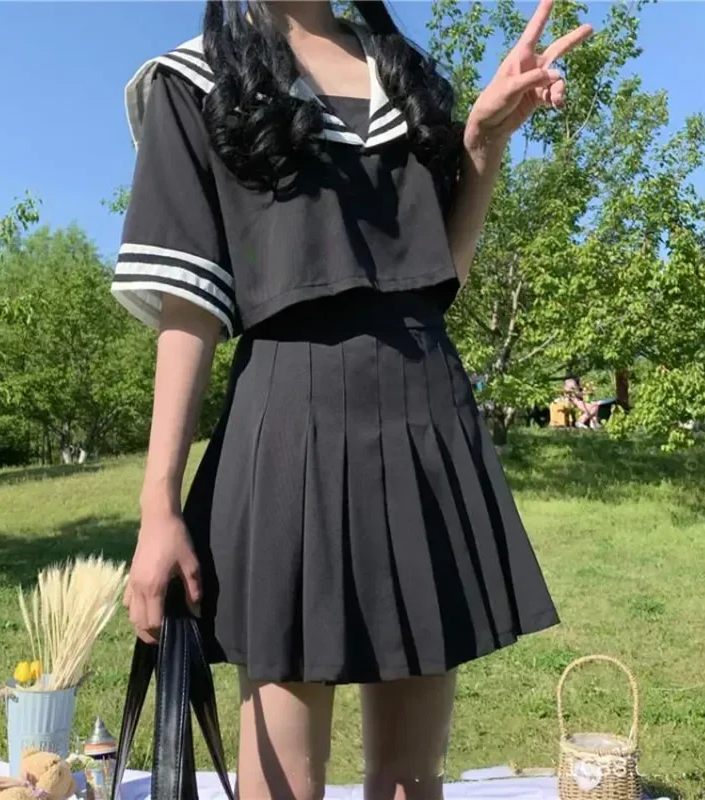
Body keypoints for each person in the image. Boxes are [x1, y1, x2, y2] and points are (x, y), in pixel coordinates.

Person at [113, 2, 591, 797]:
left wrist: (482, 143)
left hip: (424, 414)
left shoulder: (401, 73)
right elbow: (188, 311)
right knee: (285, 784)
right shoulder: (196, 79)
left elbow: (436, 276)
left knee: (410, 779)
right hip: (288, 423)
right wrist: (158, 505)